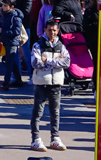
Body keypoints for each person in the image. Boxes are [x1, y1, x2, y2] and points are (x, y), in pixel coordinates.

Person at [29, 17, 70, 152]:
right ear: (45, 30)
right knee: (38, 112)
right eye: (49, 30)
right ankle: (35, 139)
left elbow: (67, 62)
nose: (52, 33)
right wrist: (56, 61)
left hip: (56, 83)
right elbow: (36, 63)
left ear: (58, 31)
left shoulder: (61, 46)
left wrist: (48, 60)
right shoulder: (38, 45)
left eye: (54, 30)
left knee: (55, 112)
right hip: (41, 83)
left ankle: (55, 138)